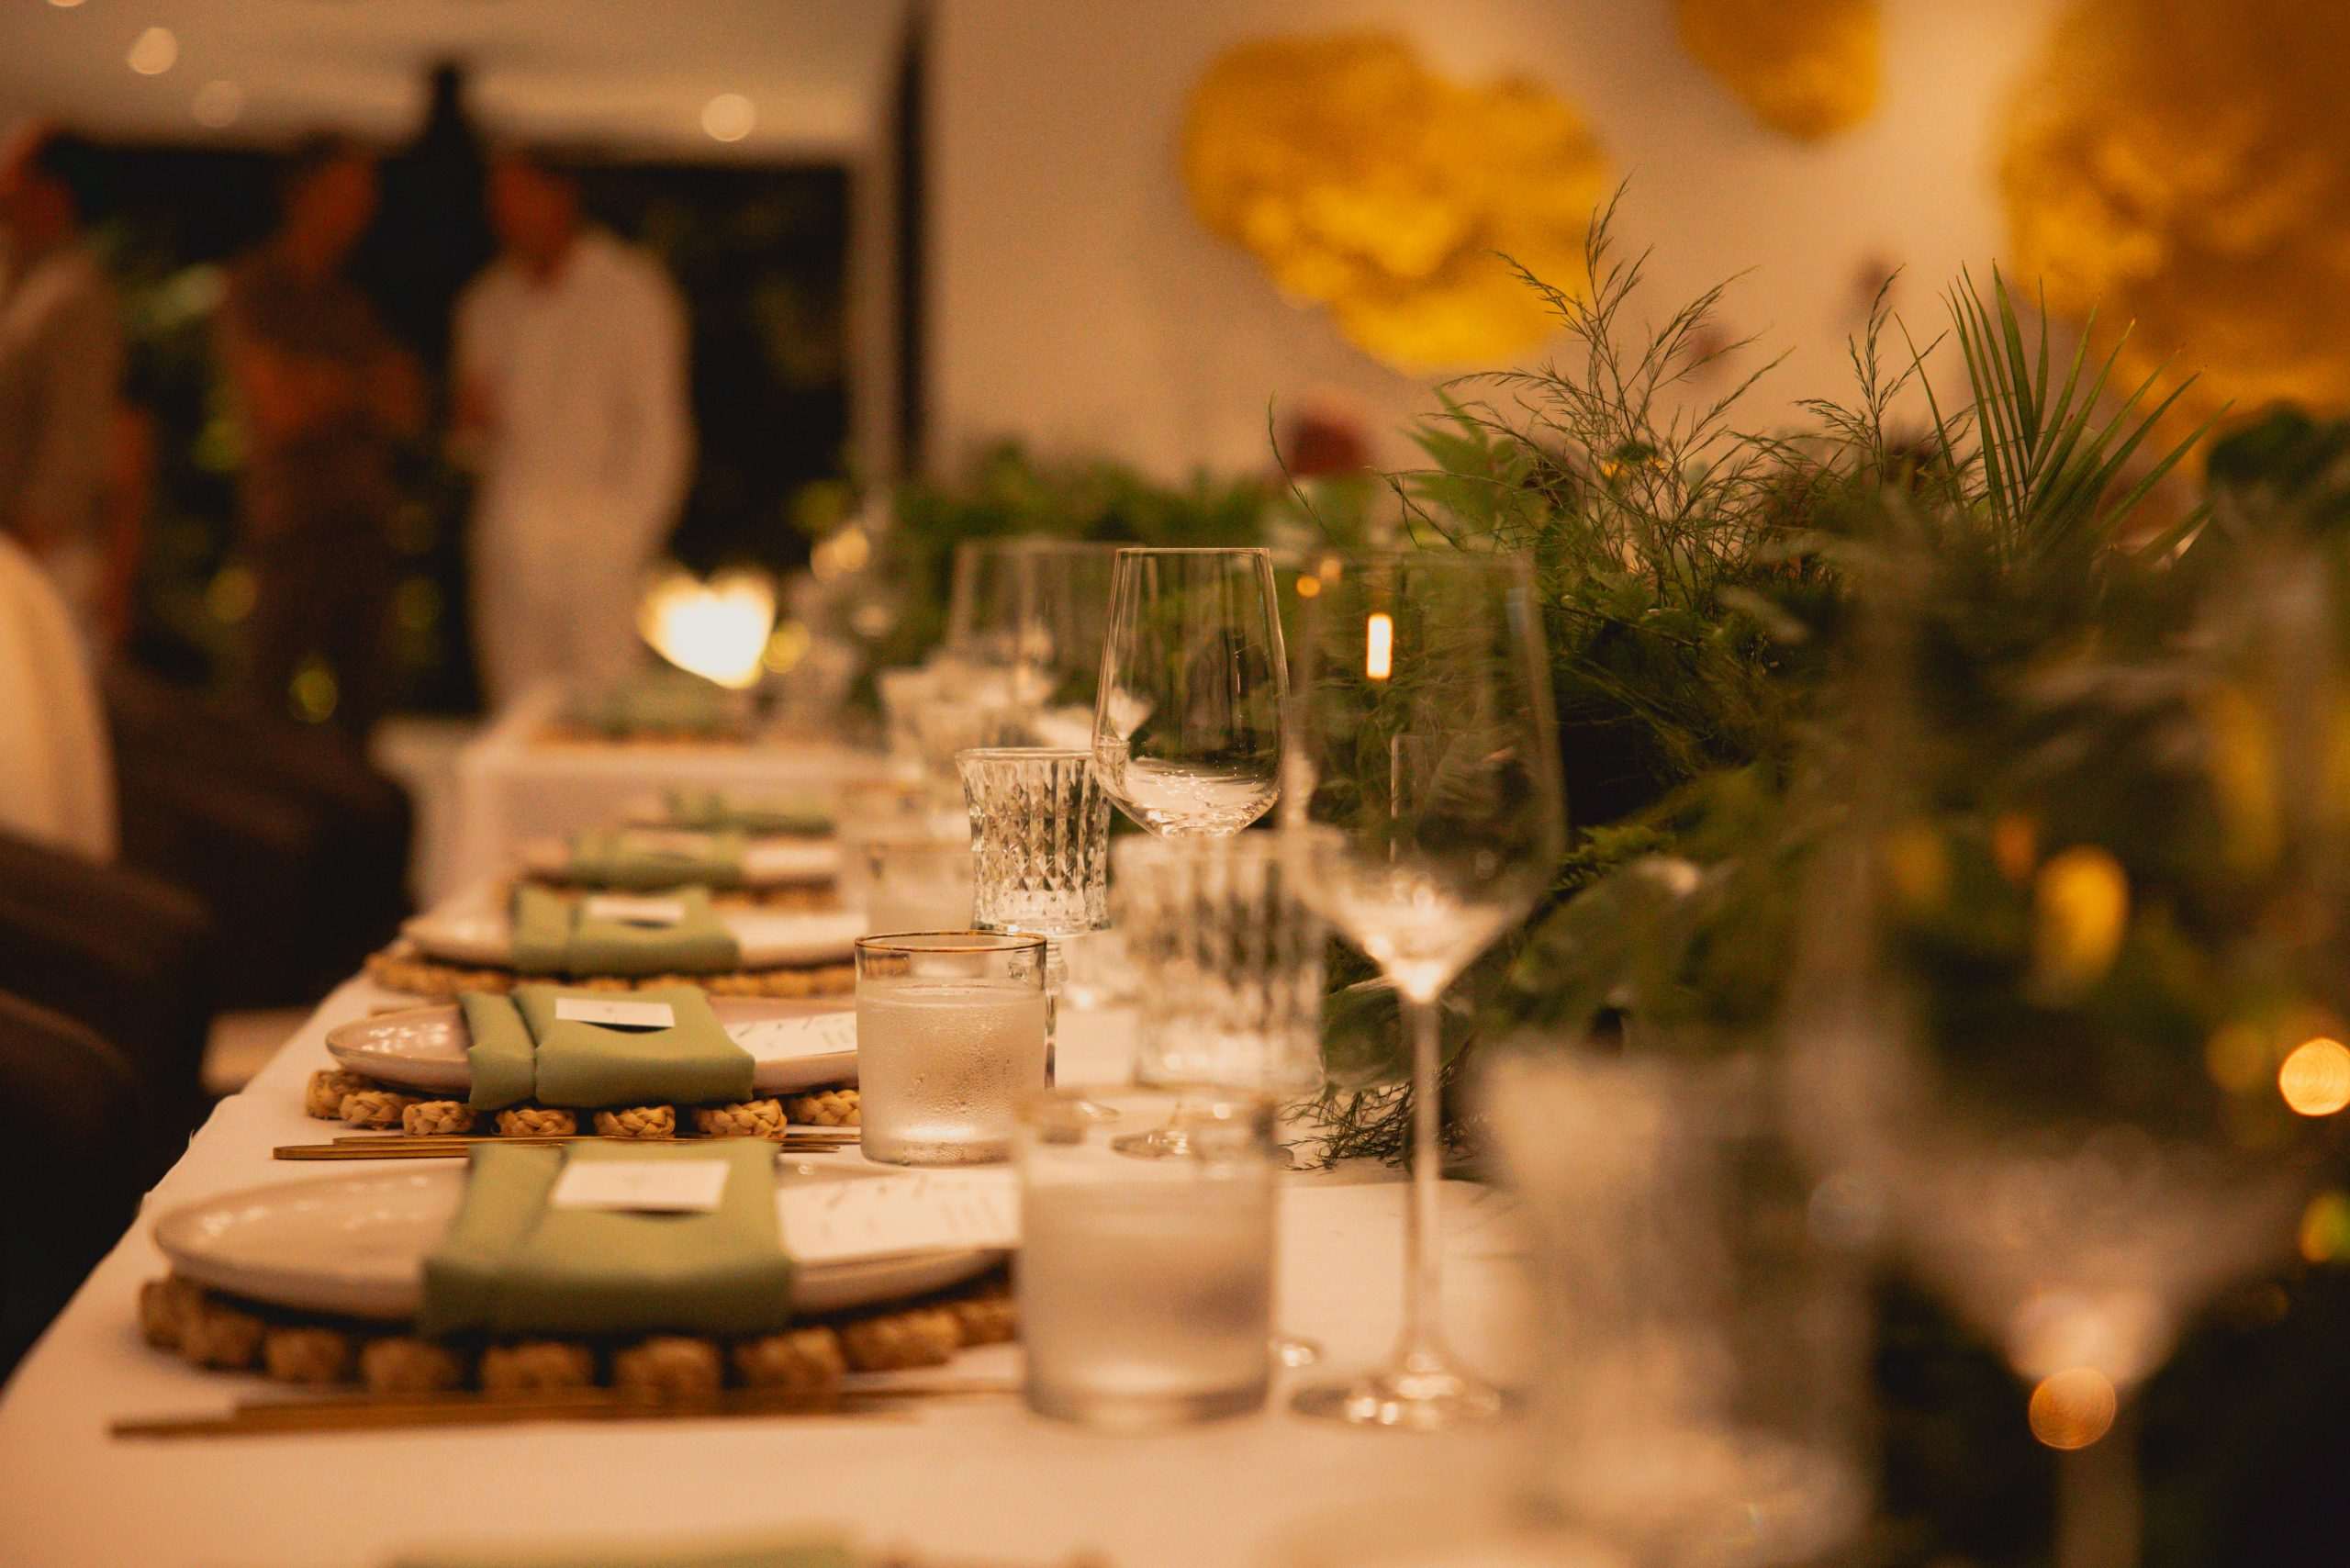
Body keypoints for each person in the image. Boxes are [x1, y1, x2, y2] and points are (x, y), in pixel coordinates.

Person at [453, 145, 692, 704]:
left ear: (561, 195)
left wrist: (621, 538)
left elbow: (659, 431)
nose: (507, 216)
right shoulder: (487, 304)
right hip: (512, 545)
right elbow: (473, 446)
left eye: (519, 197)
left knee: (604, 704)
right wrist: (471, 427)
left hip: (598, 543)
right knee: (517, 707)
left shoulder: (629, 291)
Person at [217, 132, 423, 740]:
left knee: (363, 715)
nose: (360, 211)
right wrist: (358, 388)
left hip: (362, 524)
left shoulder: (352, 301)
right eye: (345, 193)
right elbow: (279, 407)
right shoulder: (259, 287)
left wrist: (323, 385)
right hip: (291, 526)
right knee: (265, 712)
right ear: (302, 193)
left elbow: (406, 405)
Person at [0, 123, 125, 646]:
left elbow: (74, 436)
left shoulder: (71, 296)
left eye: (18, 171)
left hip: (41, 554)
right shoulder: (24, 281)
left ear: (53, 192)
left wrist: (32, 537)